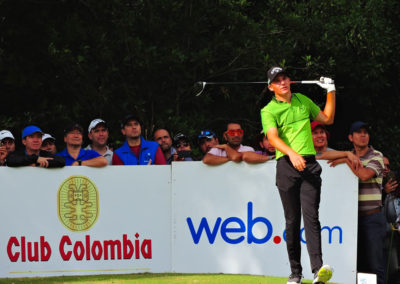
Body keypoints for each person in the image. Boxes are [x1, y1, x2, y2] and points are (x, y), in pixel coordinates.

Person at [261, 66, 335, 284]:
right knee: (292, 220)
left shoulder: (302, 99)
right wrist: (292, 154)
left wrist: (331, 90)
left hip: (309, 165)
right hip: (286, 165)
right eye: (278, 80)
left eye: (285, 78)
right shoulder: (268, 110)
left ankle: (318, 270)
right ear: (271, 87)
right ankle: (295, 273)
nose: (283, 82)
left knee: (311, 217)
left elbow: (328, 118)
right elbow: (273, 138)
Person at [326, 121, 386, 284]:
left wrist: (346, 161)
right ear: (350, 137)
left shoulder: (377, 156)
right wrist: (345, 156)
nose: (363, 135)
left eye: (365, 132)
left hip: (372, 217)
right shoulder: (345, 155)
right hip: (349, 221)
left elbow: (365, 174)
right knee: (352, 265)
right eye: (358, 132)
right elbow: (317, 158)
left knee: (375, 266)